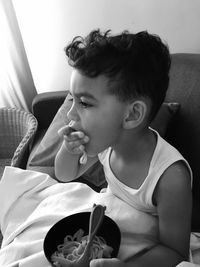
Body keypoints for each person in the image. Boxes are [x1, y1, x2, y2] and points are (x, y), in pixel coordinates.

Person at [55, 29, 192, 267]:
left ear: (132, 114)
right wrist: (68, 149)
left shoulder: (171, 177)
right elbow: (64, 175)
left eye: (84, 103)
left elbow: (174, 251)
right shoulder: (106, 144)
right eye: (72, 100)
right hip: (110, 228)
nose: (69, 113)